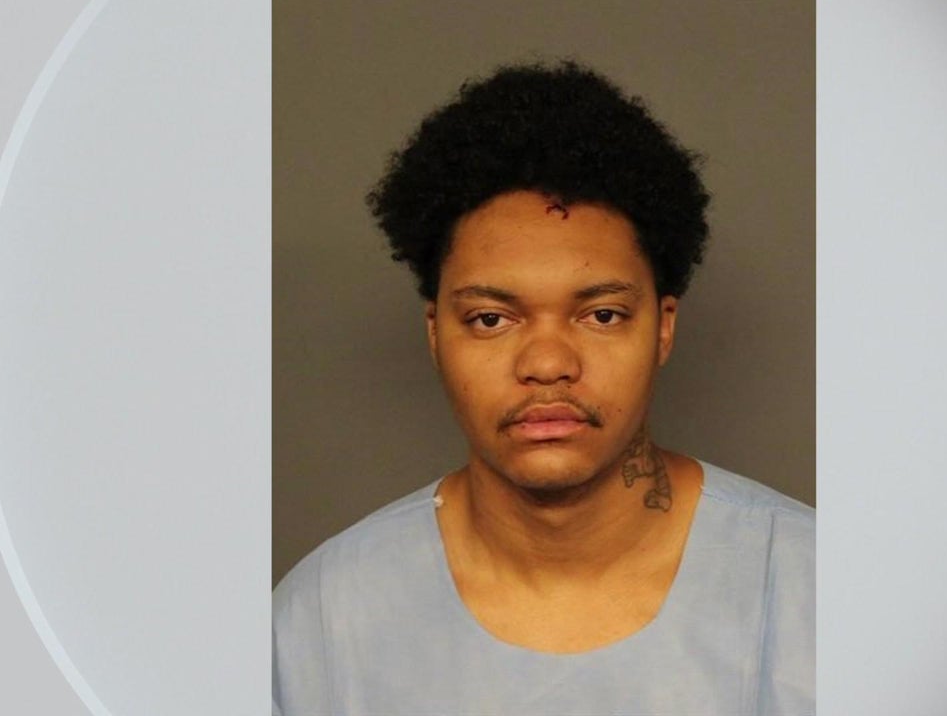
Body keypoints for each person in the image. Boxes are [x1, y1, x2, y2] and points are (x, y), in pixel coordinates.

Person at [272, 60, 814, 715]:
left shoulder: (813, 588)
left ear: (664, 327)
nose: (548, 363)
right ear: (436, 333)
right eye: (490, 319)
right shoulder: (324, 619)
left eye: (602, 315)